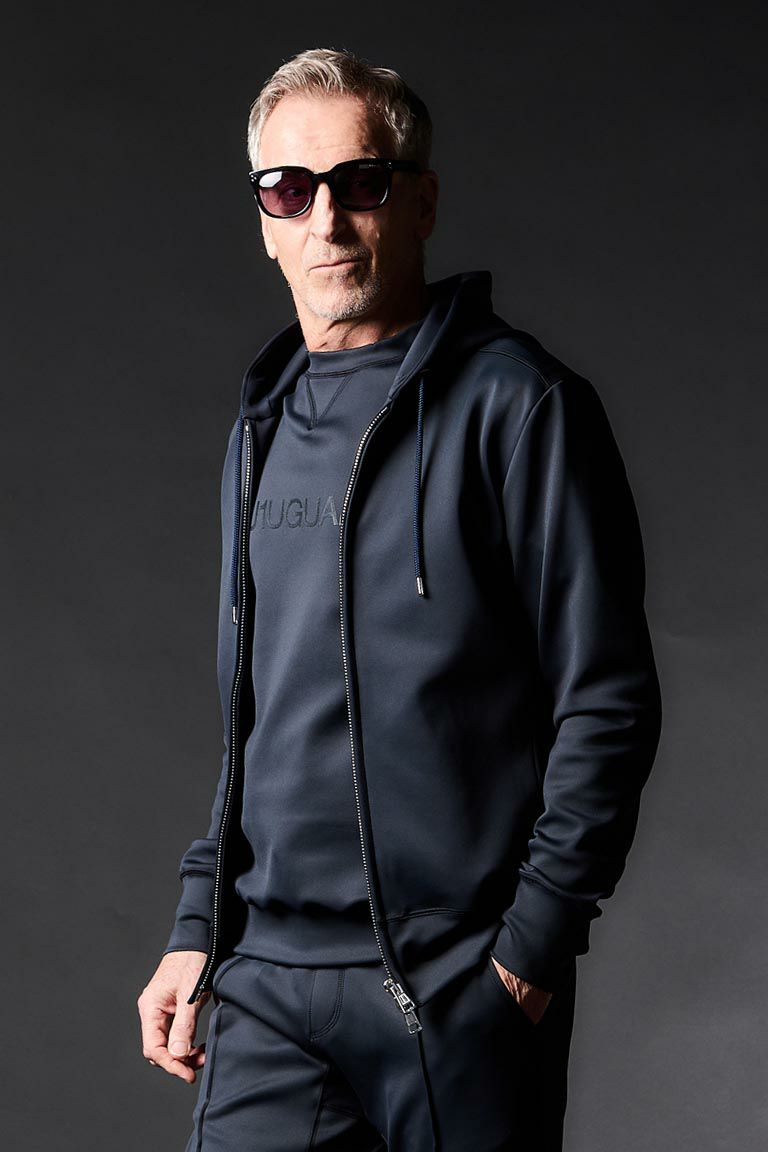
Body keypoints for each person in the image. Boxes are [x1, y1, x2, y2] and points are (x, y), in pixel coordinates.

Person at [136, 46, 663, 1152]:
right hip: (268, 981)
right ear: (265, 221)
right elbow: (258, 720)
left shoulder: (522, 408)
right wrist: (199, 923)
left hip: (456, 982)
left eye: (360, 183)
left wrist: (528, 949)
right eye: (290, 189)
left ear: (420, 202)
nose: (326, 220)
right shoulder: (260, 429)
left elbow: (607, 698)